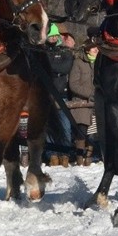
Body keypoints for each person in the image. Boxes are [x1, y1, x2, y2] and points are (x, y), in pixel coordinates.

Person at [44, 22, 75, 166]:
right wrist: (54, 69)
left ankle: (65, 153)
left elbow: (65, 68)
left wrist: (52, 70)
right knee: (50, 126)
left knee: (65, 125)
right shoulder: (42, 50)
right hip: (47, 93)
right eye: (51, 35)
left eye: (56, 35)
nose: (53, 38)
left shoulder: (65, 51)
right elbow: (45, 67)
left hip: (62, 93)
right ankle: (52, 154)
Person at [68, 38, 99, 166]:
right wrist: (89, 94)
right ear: (87, 50)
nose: (96, 49)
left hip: (97, 101)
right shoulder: (78, 62)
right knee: (81, 131)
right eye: (93, 48)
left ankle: (89, 155)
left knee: (93, 132)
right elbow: (73, 84)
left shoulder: (100, 63)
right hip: (81, 101)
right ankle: (79, 156)